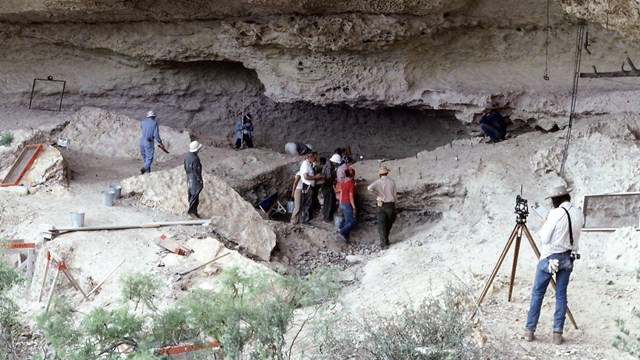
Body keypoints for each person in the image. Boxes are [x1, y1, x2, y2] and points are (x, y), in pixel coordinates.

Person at [524, 184, 584, 345]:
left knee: (538, 293)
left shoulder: (555, 213)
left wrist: (546, 222)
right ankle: (557, 334)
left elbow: (544, 238)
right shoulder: (579, 213)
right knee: (561, 294)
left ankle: (530, 330)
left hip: (550, 257)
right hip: (568, 258)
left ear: (555, 200)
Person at [367, 165, 397, 249]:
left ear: (380, 174)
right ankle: (386, 239)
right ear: (387, 173)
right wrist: (395, 204)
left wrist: (376, 193)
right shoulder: (392, 181)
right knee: (389, 222)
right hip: (390, 204)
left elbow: (369, 188)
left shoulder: (378, 182)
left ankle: (383, 243)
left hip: (380, 203)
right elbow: (394, 194)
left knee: (381, 223)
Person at [299, 151, 323, 224]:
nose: (315, 159)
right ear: (310, 157)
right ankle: (304, 221)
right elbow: (306, 176)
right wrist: (316, 177)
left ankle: (305, 219)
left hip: (309, 186)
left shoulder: (308, 164)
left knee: (307, 203)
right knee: (307, 204)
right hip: (307, 186)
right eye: (314, 158)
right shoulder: (305, 164)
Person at [139, 110, 165, 174]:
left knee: (145, 157)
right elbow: (156, 135)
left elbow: (142, 128)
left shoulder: (143, 122)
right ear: (153, 116)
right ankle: (144, 169)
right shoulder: (154, 123)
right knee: (149, 158)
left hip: (142, 141)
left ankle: (148, 172)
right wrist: (160, 143)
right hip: (149, 141)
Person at [184, 141, 203, 219]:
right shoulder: (195, 158)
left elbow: (185, 166)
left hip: (189, 177)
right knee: (195, 196)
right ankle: (191, 212)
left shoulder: (187, 156)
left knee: (191, 195)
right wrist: (199, 179)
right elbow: (196, 170)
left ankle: (194, 212)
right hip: (194, 178)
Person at [338, 168, 357, 243]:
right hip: (347, 203)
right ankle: (342, 232)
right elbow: (351, 196)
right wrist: (354, 207)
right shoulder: (351, 184)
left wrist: (340, 203)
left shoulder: (343, 182)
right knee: (352, 221)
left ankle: (346, 236)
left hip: (342, 202)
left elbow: (341, 193)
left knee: (346, 220)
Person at [321, 154, 341, 223]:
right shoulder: (329, 166)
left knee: (332, 200)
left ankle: (329, 216)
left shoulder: (330, 165)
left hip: (328, 184)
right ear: (334, 162)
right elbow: (329, 177)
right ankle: (326, 219)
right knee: (328, 202)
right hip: (326, 185)